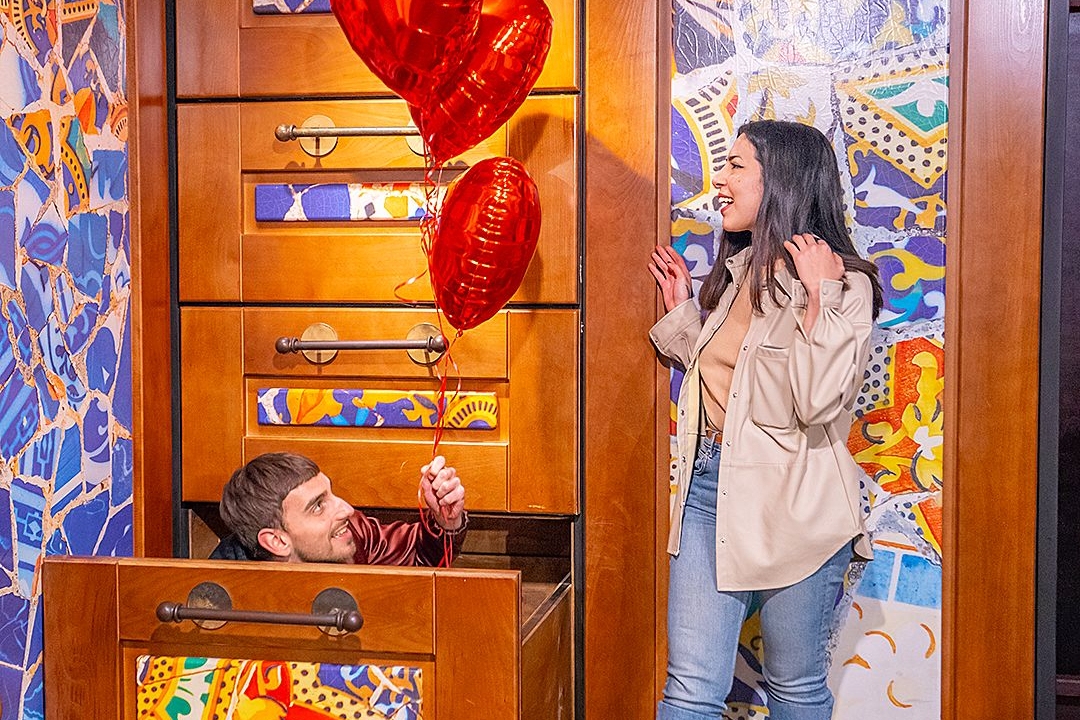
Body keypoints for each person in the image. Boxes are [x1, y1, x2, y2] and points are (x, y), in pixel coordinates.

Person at [647, 119, 884, 720]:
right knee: (689, 690)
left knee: (795, 689)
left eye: (736, 166)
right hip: (709, 491)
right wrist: (684, 316)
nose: (720, 181)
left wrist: (822, 297)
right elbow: (742, 381)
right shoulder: (740, 273)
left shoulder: (845, 284)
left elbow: (817, 400)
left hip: (798, 509)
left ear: (780, 180)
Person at [212, 451, 467, 566]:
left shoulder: (353, 532)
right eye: (318, 506)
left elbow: (420, 557)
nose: (346, 509)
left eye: (331, 493)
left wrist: (445, 520)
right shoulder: (223, 602)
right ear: (277, 541)